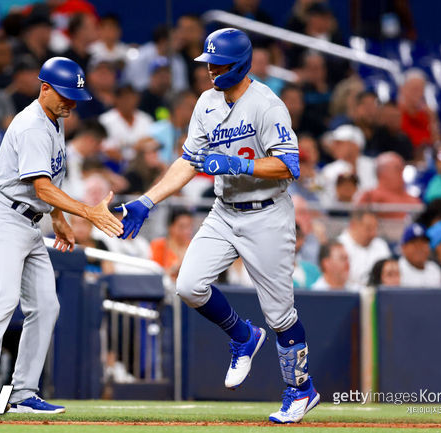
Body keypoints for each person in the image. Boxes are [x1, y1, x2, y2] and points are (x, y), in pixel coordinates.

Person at [113, 29, 319, 423]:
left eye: (217, 63)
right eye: (207, 62)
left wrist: (240, 164)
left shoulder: (267, 105)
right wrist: (146, 200)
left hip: (266, 213)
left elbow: (289, 165)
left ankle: (301, 390)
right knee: (188, 286)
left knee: (280, 315)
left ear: (239, 64)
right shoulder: (206, 102)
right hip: (224, 211)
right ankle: (243, 336)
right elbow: (189, 161)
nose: (209, 70)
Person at [0, 57, 123, 413]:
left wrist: (58, 219)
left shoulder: (54, 120)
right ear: (45, 87)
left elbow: (48, 183)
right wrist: (86, 212)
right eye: (64, 95)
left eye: (74, 97)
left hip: (29, 220)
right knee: (4, 299)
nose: (70, 103)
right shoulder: (33, 125)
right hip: (3, 218)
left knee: (47, 306)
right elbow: (40, 185)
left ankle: (22, 393)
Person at [337, 210, 391, 288]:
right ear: (353, 225)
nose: (373, 233)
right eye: (369, 228)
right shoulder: (338, 246)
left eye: (375, 228)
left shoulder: (381, 245)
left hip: (379, 295)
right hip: (348, 295)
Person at [150, 208, 194, 280]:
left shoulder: (194, 246)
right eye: (181, 227)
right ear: (170, 227)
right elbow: (154, 274)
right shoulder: (159, 245)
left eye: (189, 227)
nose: (187, 231)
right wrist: (174, 269)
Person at [398, 223, 441, 287]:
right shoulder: (396, 270)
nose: (419, 248)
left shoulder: (435, 270)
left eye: (423, 243)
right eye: (414, 243)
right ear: (404, 247)